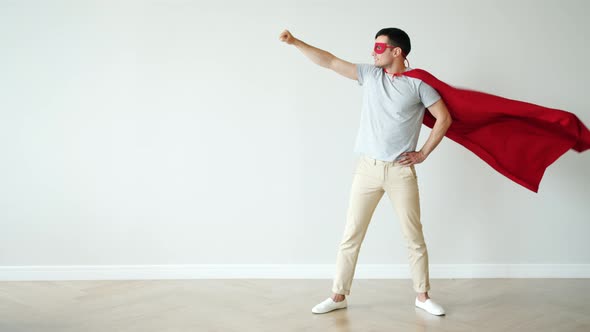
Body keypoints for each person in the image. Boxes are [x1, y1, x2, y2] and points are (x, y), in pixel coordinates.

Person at [279, 27, 453, 316]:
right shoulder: (371, 76)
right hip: (367, 170)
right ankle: (338, 296)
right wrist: (295, 42)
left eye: (379, 47)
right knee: (351, 234)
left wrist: (422, 153)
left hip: (400, 172)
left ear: (397, 52)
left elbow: (443, 118)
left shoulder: (418, 85)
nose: (373, 52)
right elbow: (330, 61)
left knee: (414, 236)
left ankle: (422, 296)